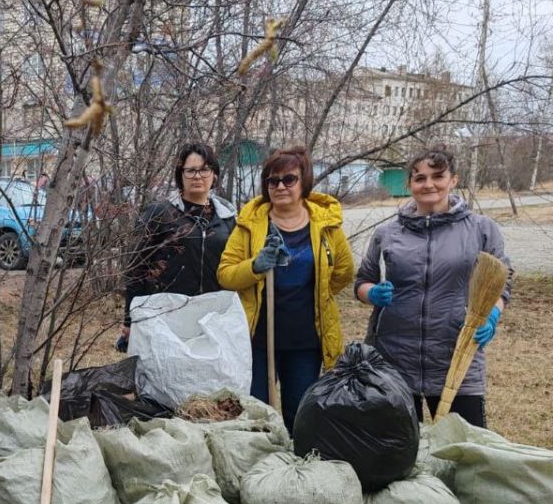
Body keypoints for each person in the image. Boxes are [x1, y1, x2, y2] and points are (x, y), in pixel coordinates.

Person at [356, 148, 512, 427]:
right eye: (420, 178)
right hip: (394, 360)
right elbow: (362, 281)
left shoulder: (481, 229)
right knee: (400, 452)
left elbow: (503, 279)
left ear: (454, 180)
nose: (429, 184)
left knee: (466, 452)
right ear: (409, 185)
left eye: (438, 176)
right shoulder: (387, 234)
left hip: (457, 358)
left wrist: (492, 313)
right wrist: (373, 294)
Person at [217, 146, 354, 431]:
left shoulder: (325, 224)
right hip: (259, 335)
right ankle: (260, 465)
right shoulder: (250, 224)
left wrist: (319, 293)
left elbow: (343, 272)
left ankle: (295, 465)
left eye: (288, 179)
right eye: (272, 180)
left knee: (299, 410)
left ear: (304, 181)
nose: (280, 186)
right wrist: (255, 265)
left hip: (305, 337)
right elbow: (226, 275)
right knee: (256, 413)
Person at [119, 142, 237, 350]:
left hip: (213, 317)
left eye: (204, 169)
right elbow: (136, 267)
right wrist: (130, 319)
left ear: (214, 174)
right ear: (180, 175)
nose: (197, 176)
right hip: (167, 316)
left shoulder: (227, 218)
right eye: (190, 170)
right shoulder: (160, 213)